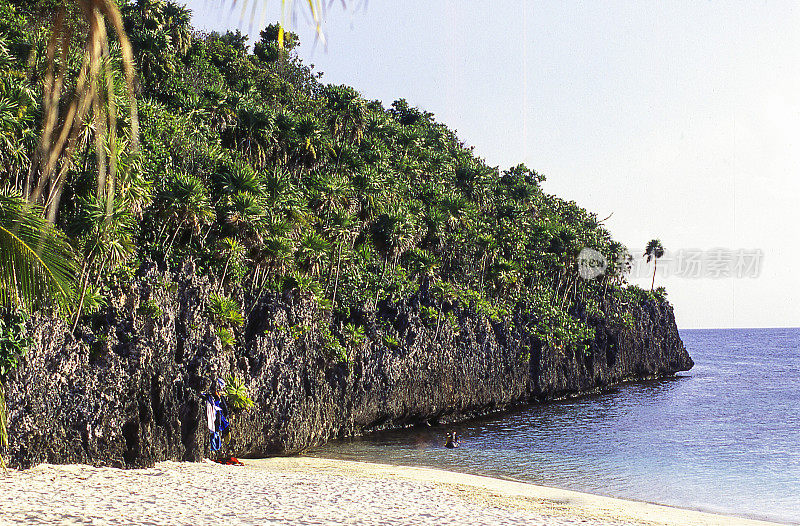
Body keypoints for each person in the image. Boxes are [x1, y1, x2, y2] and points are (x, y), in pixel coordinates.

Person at [203, 378, 230, 457]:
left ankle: (212, 449)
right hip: (216, 419)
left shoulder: (219, 398)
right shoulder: (217, 398)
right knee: (215, 433)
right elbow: (225, 411)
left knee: (215, 433)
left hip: (217, 419)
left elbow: (224, 411)